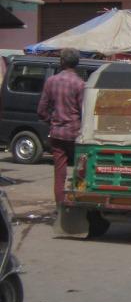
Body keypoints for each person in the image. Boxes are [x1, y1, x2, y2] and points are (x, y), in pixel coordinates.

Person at [37, 48, 85, 205]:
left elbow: (41, 110)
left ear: (62, 62)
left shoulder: (51, 81)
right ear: (76, 63)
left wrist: (51, 121)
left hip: (57, 133)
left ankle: (60, 206)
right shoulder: (80, 84)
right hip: (75, 134)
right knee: (81, 170)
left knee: (59, 172)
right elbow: (84, 110)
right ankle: (78, 202)